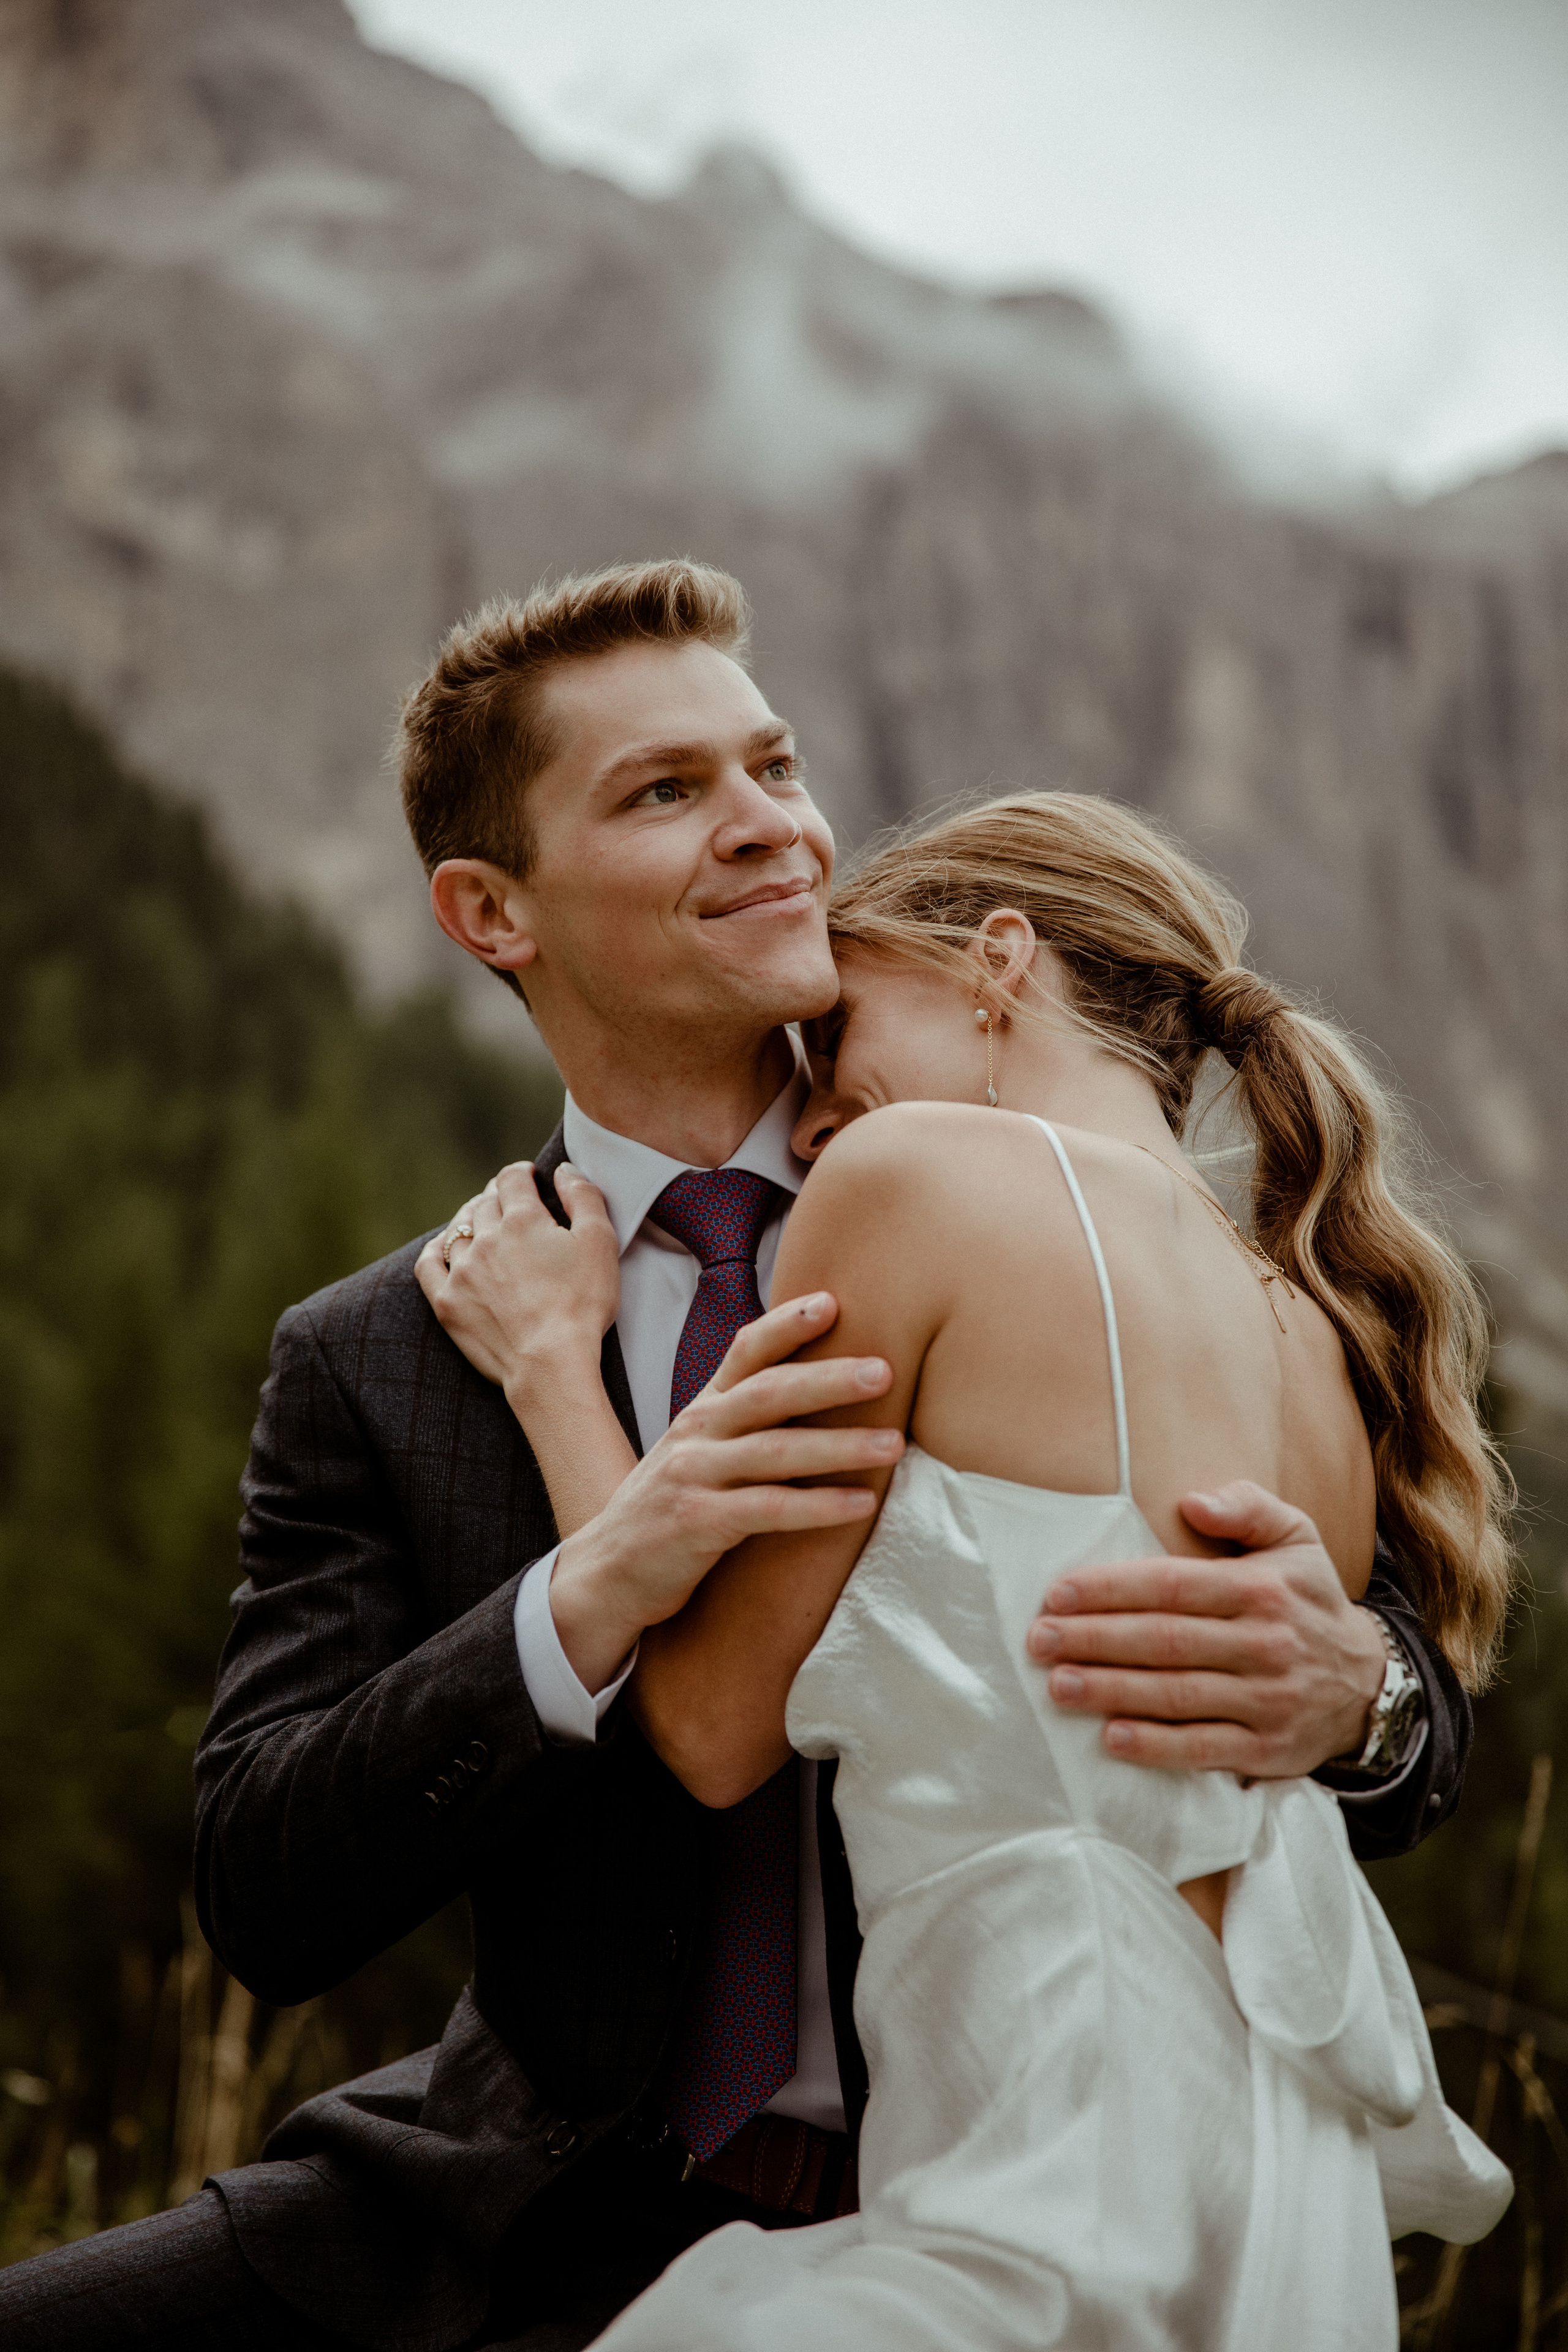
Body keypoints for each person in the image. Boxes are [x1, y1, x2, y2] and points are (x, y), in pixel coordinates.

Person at [0, 563, 1476, 2350]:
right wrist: (576, 1603)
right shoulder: (383, 1349)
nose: (774, 828)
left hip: (988, 2199)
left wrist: (1367, 1698)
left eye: (772, 765)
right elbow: (266, 1882)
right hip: (509, 2199)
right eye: (665, 791)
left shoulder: (1008, 1224)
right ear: (491, 910)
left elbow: (1396, 1688)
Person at [434, 788, 1513, 2347]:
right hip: (1268, 2173)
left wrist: (550, 1368)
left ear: (995, 962)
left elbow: (708, 1728)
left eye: (841, 1030)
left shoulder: (912, 1182)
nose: (810, 1119)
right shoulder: (1319, 1328)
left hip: (1050, 2139)